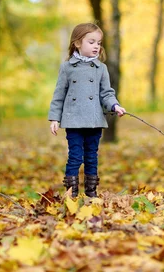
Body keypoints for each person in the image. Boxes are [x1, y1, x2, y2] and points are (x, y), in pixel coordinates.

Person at [49, 22, 125, 198]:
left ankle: (91, 194)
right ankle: (72, 195)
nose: (96, 46)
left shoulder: (101, 69)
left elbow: (106, 93)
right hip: (74, 121)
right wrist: (55, 118)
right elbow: (59, 94)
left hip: (94, 121)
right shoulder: (67, 68)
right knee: (75, 156)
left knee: (92, 157)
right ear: (77, 43)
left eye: (98, 43)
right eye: (91, 42)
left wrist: (115, 105)